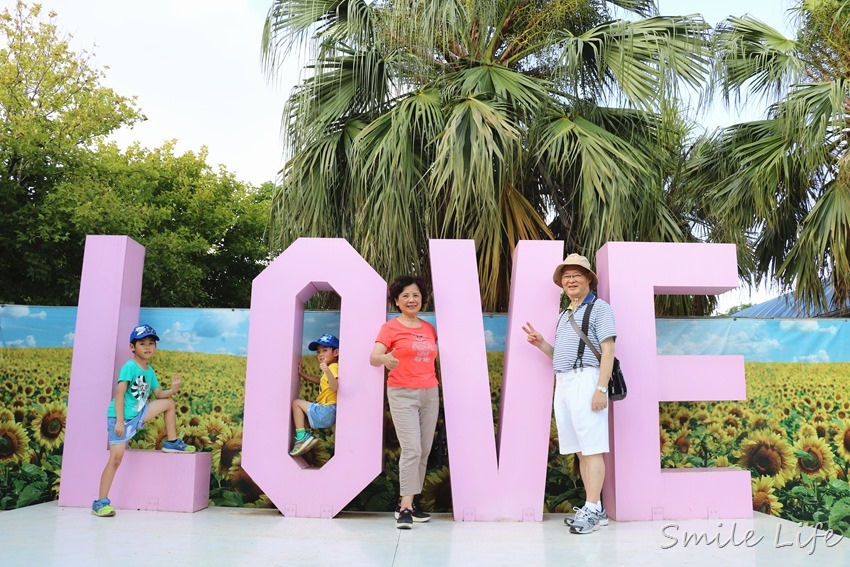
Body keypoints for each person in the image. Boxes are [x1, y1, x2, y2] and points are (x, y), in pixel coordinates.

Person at [522, 253, 616, 534]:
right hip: (563, 382)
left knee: (592, 447)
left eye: (577, 274)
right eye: (566, 276)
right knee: (581, 450)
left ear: (589, 278)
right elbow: (559, 356)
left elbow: (608, 351)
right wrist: (541, 344)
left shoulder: (600, 309)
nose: (571, 280)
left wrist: (600, 388)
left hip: (587, 379)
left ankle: (591, 507)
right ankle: (594, 509)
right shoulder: (565, 315)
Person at [92, 324, 194, 517]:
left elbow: (158, 394)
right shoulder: (129, 367)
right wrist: (120, 421)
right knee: (115, 459)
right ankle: (100, 502)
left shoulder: (150, 371)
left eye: (151, 343)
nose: (148, 347)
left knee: (169, 403)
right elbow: (119, 394)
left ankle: (172, 442)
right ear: (133, 347)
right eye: (142, 343)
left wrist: (173, 389)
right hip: (120, 417)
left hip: (139, 414)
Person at [370, 275, 439, 529]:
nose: (411, 300)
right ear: (397, 301)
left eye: (416, 295)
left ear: (422, 300)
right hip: (402, 393)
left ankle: (410, 501)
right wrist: (385, 359)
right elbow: (373, 357)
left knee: (424, 450)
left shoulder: (429, 329)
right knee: (412, 449)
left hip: (430, 393)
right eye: (406, 296)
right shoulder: (390, 327)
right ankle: (405, 507)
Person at [290, 333, 340, 456]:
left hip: (326, 410)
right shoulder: (330, 368)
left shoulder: (333, 367)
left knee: (296, 404)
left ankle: (302, 438)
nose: (321, 354)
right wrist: (302, 374)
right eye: (318, 352)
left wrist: (327, 371)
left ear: (336, 352)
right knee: (302, 418)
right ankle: (307, 437)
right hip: (329, 412)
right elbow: (321, 381)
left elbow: (335, 386)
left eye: (325, 350)